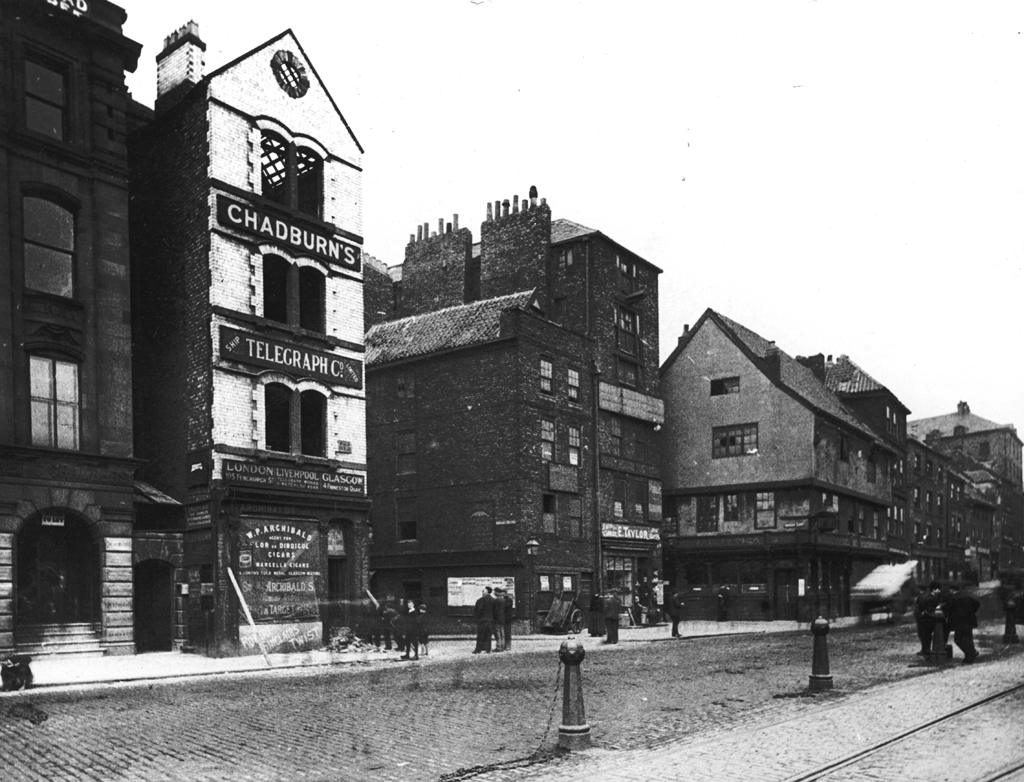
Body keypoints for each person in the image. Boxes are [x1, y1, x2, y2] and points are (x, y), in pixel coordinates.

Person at [945, 583, 980, 664]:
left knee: (958, 639)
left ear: (952, 590)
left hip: (959, 622)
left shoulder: (952, 599)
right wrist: (971, 612)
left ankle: (970, 655)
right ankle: (971, 654)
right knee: (969, 639)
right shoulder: (967, 597)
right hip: (969, 621)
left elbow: (947, 608)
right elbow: (977, 603)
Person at [473, 587, 496, 653]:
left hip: (482, 621)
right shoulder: (493, 600)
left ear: (486, 592)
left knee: (480, 636)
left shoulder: (481, 600)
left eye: (483, 591)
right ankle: (488, 649)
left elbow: (478, 610)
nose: (482, 592)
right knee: (488, 636)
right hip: (491, 620)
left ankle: (478, 650)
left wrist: (477, 618)